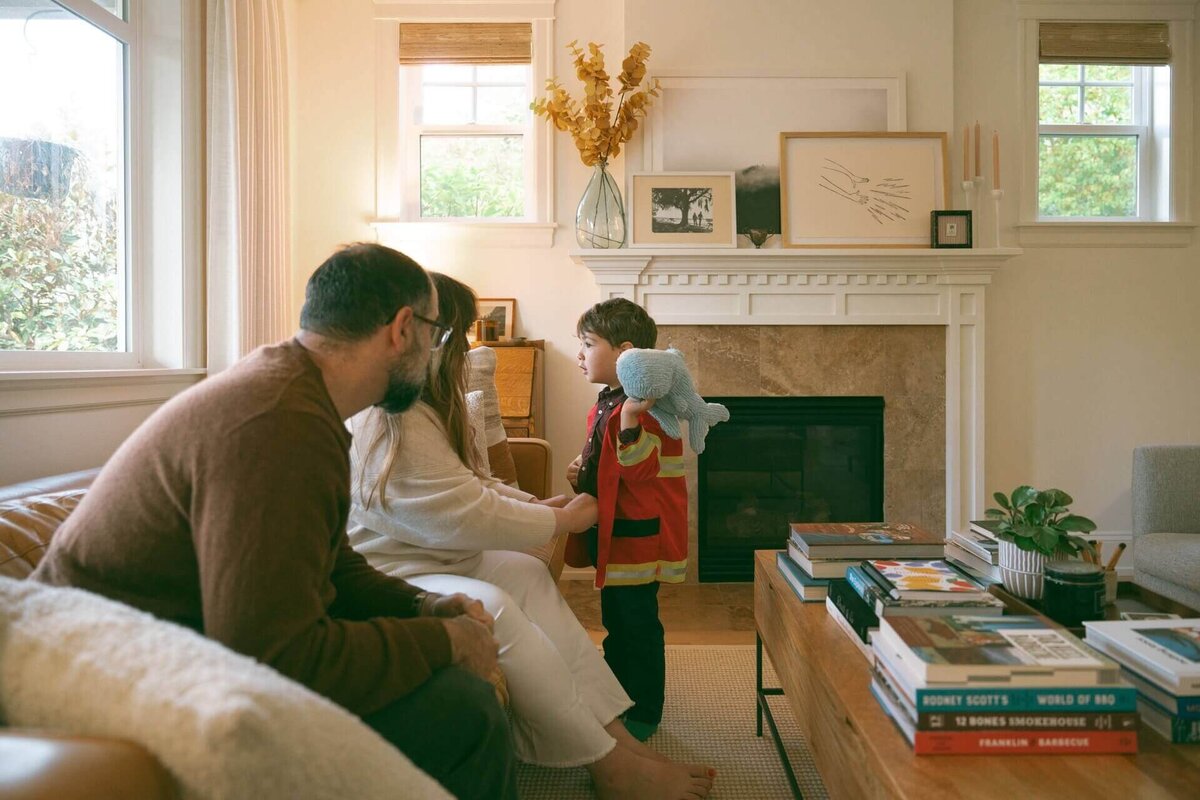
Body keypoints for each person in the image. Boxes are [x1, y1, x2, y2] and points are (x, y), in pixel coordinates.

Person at [31, 243, 518, 800]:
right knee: (464, 712)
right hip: (103, 677)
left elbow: (332, 563)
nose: (435, 350)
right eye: (435, 332)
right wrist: (443, 643)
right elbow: (275, 657)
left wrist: (421, 605)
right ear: (403, 328)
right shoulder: (279, 425)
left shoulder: (297, 397)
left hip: (164, 649)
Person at [348, 273, 714, 800]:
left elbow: (474, 486)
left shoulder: (433, 406)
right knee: (493, 603)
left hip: (436, 555)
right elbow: (460, 513)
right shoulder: (390, 417)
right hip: (393, 569)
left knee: (522, 572)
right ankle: (610, 764)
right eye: (458, 335)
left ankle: (612, 733)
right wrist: (562, 520)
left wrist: (537, 505)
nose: (467, 349)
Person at [565, 298, 688, 743]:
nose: (579, 353)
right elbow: (605, 460)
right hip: (615, 535)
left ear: (625, 352)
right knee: (617, 622)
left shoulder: (651, 410)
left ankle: (644, 709)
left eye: (588, 343)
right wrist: (580, 469)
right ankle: (617, 697)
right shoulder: (607, 401)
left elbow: (642, 469)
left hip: (639, 540)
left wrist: (633, 419)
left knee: (636, 625)